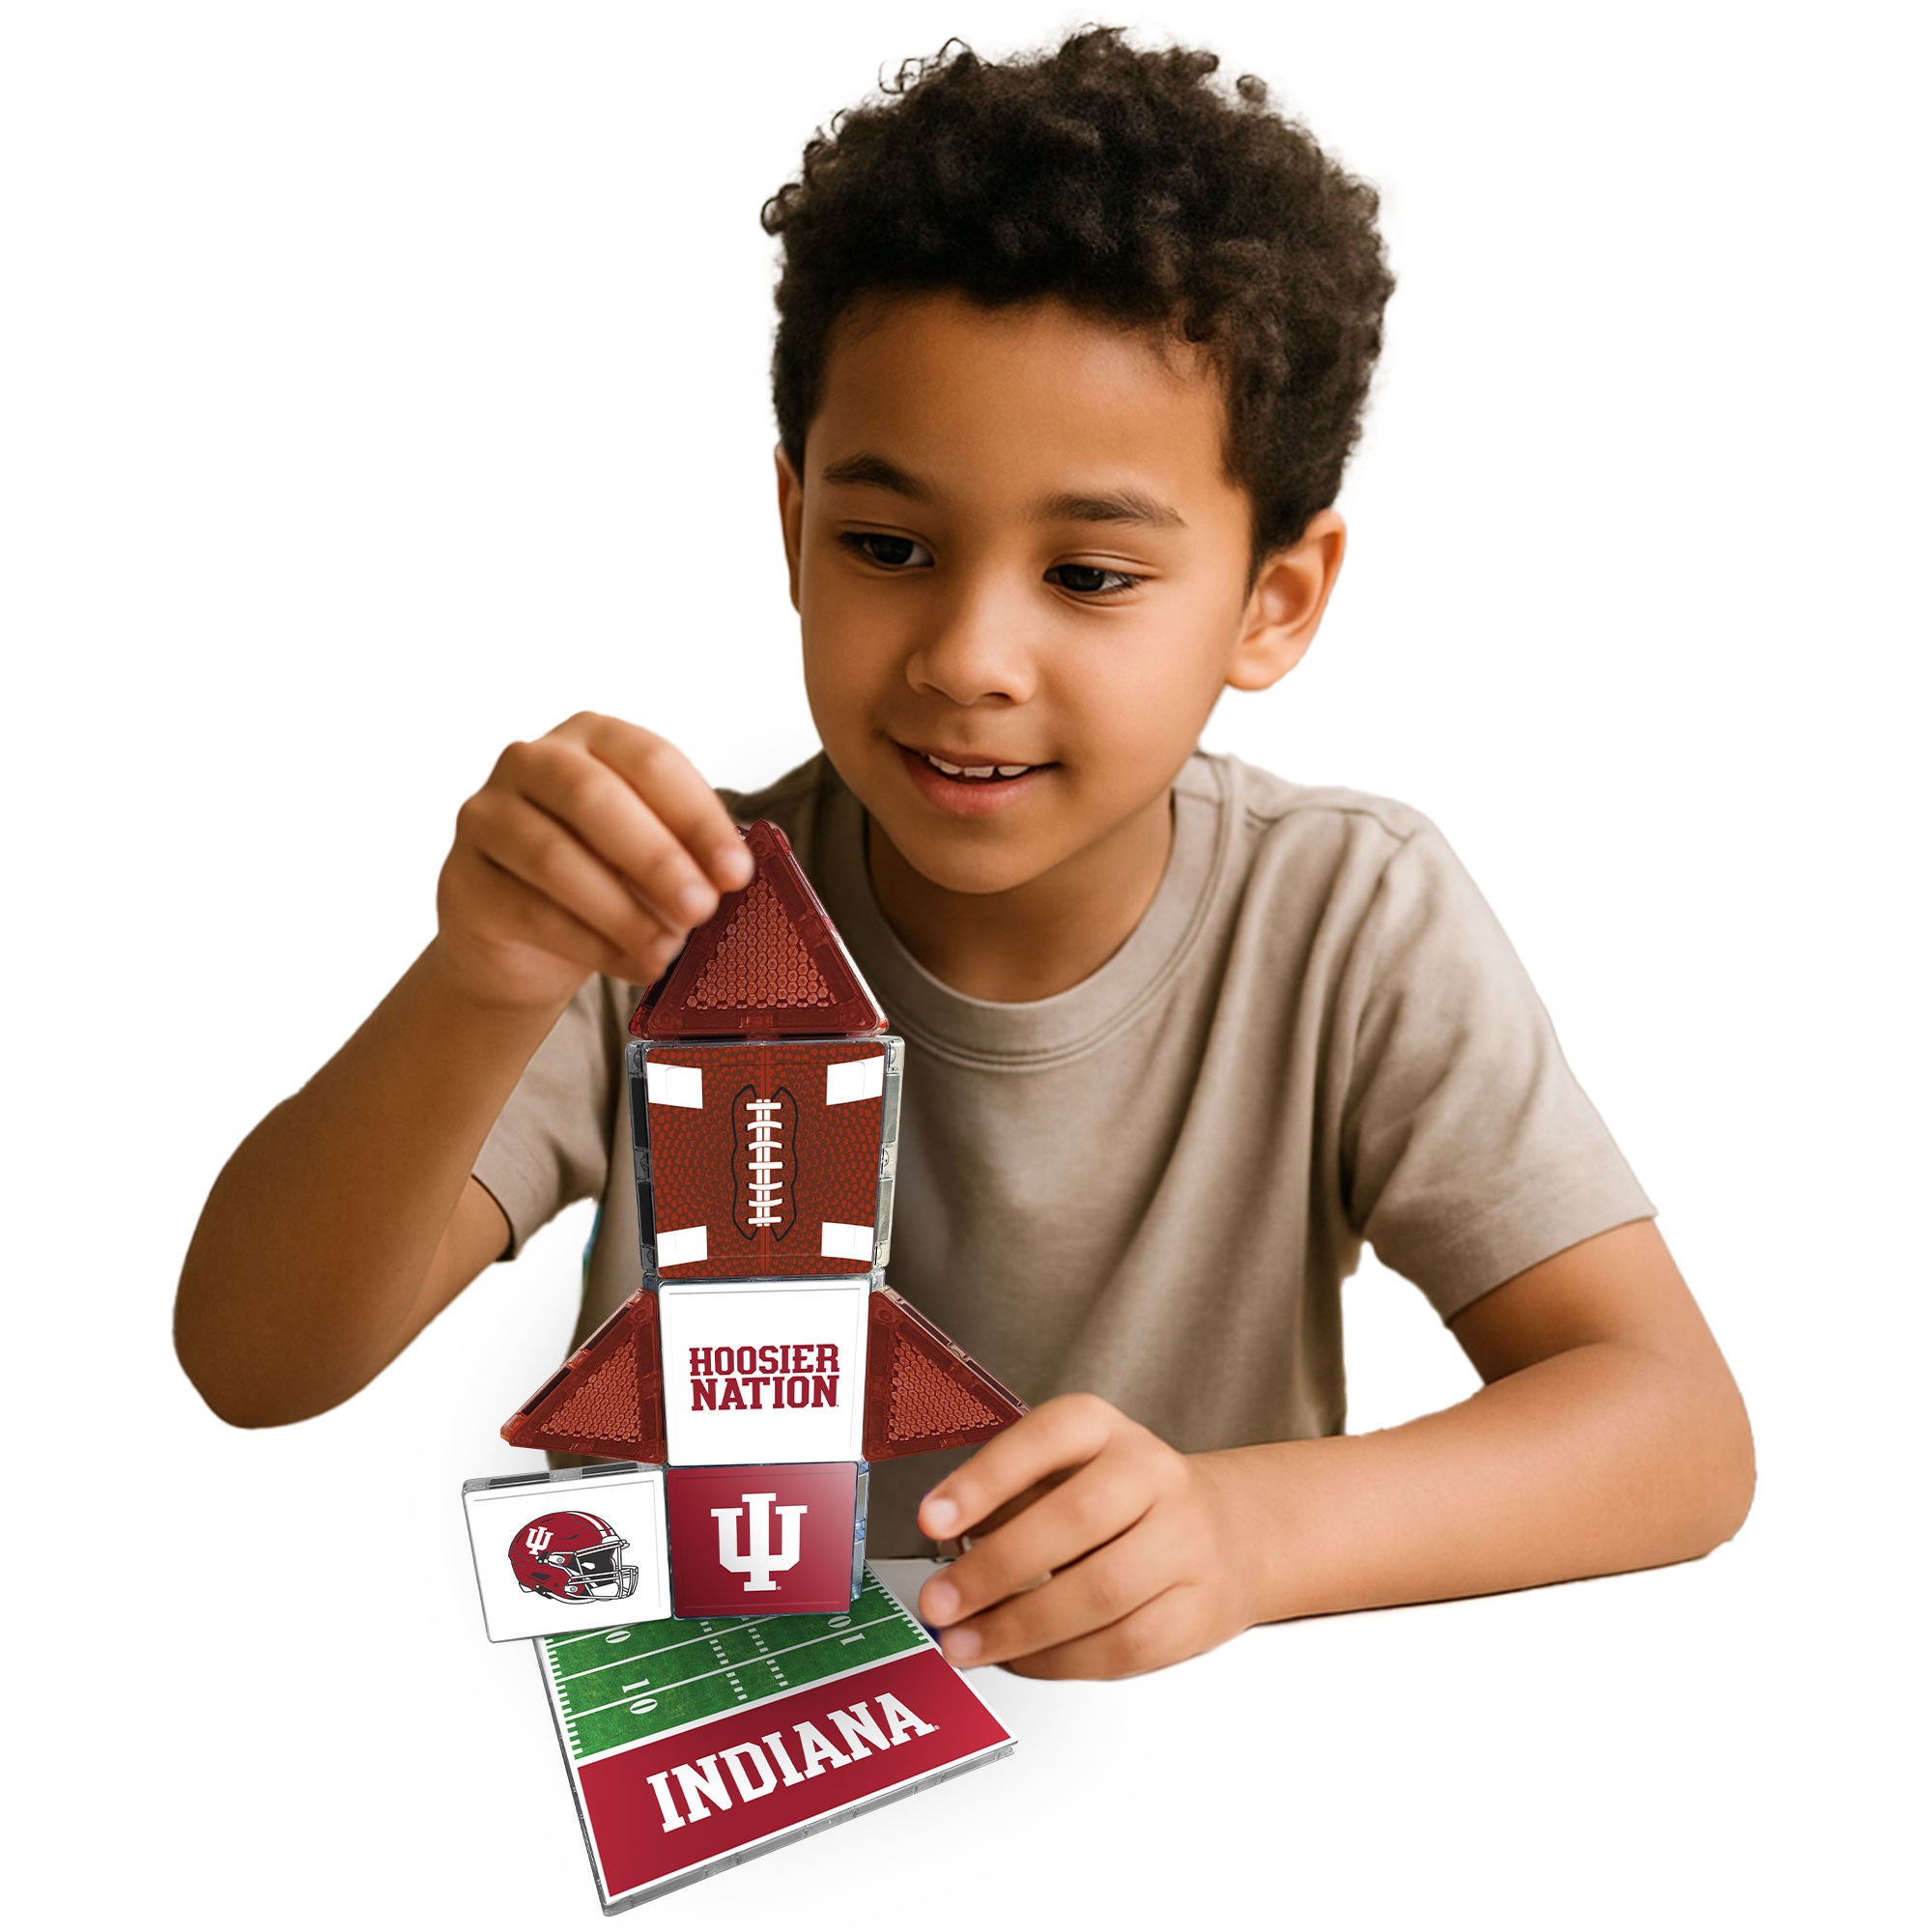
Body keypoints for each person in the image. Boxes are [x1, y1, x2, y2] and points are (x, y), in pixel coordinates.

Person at [175, 26, 1753, 1680]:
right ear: (793, 530)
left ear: (1273, 601)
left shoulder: (1348, 916)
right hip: (699, 1780)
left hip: (1152, 1810)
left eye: (1090, 575)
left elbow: (1676, 1432)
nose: (968, 656)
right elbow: (255, 1358)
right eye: (888, 545)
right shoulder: (658, 903)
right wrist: (481, 975)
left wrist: (1243, 1531)